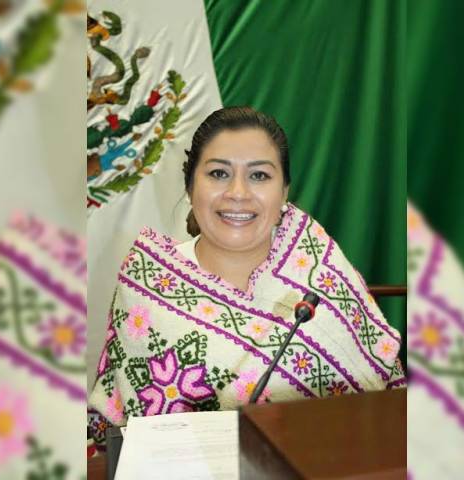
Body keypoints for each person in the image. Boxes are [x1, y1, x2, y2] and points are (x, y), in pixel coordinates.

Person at [88, 106, 404, 446]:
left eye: (259, 176)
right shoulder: (147, 282)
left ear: (284, 192)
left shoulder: (320, 267)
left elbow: (383, 397)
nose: (238, 192)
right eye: (219, 173)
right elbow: (123, 434)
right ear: (190, 187)